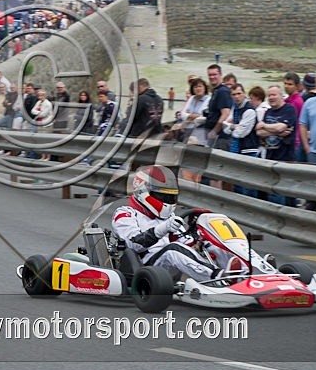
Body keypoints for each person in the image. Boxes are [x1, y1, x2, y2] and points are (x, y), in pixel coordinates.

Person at [111, 165, 243, 283]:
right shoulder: (125, 213)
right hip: (146, 267)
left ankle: (245, 271)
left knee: (210, 242)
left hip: (170, 266)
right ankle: (220, 277)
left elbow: (184, 242)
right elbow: (133, 244)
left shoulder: (169, 217)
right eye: (162, 197)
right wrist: (162, 229)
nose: (167, 201)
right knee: (172, 249)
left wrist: (198, 240)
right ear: (143, 191)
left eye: (171, 197)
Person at [256, 86, 298, 205]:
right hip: (270, 157)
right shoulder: (268, 111)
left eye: (274, 95)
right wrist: (276, 131)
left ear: (281, 96)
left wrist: (265, 126)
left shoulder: (289, 109)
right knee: (272, 191)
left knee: (285, 192)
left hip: (285, 157)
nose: (271, 98)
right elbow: (259, 132)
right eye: (269, 95)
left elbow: (281, 127)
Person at [222, 84, 259, 197]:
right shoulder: (235, 108)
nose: (236, 97)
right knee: (237, 184)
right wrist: (234, 126)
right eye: (234, 94)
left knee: (248, 185)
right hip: (236, 150)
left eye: (239, 93)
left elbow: (240, 133)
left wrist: (232, 127)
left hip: (249, 150)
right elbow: (225, 127)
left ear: (244, 94)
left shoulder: (249, 110)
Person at [202, 64, 232, 150]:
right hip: (211, 133)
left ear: (220, 75)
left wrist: (214, 131)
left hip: (220, 137)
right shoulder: (216, 91)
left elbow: (225, 114)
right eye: (210, 75)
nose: (212, 77)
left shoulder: (223, 91)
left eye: (214, 74)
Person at [178, 77, 210, 144]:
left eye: (200, 86)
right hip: (188, 128)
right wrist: (192, 116)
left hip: (200, 130)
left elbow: (203, 117)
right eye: (195, 87)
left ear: (205, 88)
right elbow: (182, 114)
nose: (198, 89)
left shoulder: (209, 100)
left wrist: (189, 115)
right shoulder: (192, 98)